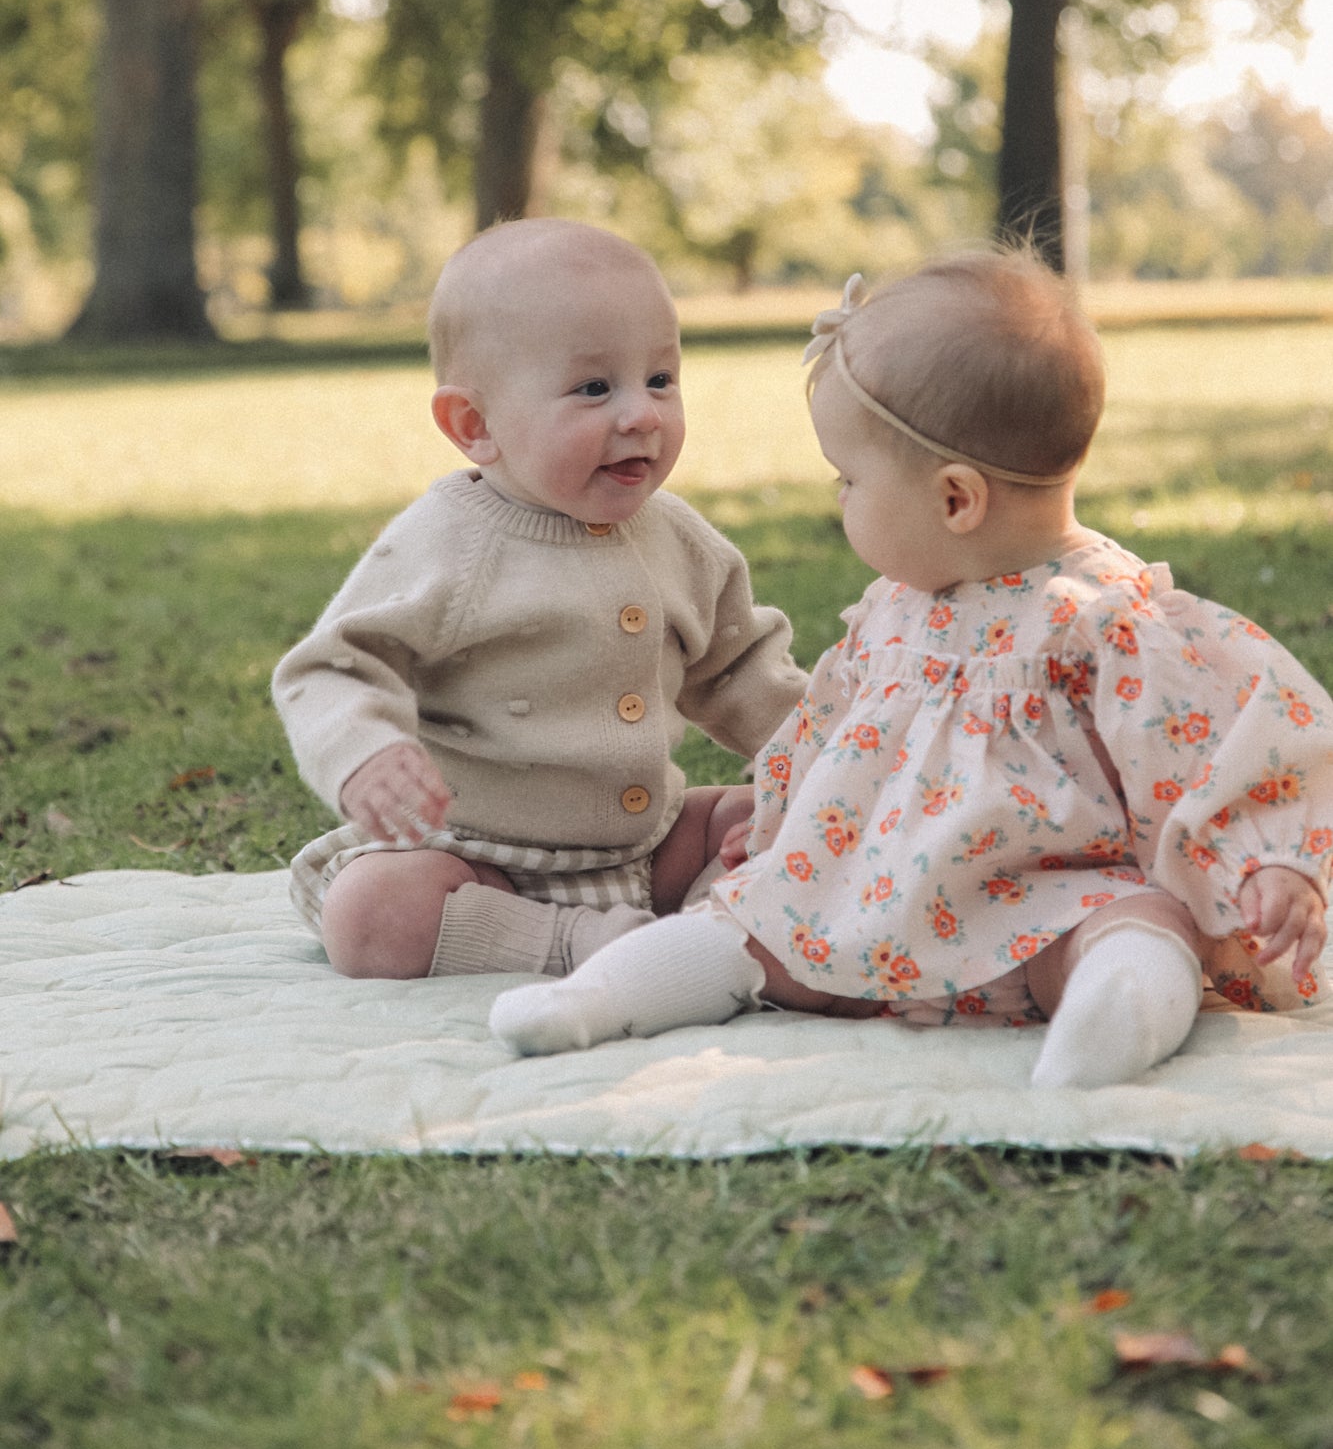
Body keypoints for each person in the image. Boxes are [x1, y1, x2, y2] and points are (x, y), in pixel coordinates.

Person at [490, 249, 1333, 1089]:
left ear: (955, 499)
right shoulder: (893, 611)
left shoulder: (1105, 619)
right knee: (753, 924)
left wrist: (1271, 860)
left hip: (1047, 904)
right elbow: (826, 732)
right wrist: (787, 822)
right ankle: (599, 999)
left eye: (848, 480)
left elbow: (1246, 733)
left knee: (1138, 920)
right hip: (876, 901)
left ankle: (1113, 1014)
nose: (839, 502)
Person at [274, 220, 806, 983]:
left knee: (756, 825)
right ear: (475, 425)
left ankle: (705, 935)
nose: (642, 414)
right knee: (371, 914)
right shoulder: (448, 543)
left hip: (647, 848)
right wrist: (366, 753)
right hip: (478, 860)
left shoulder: (680, 542)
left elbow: (744, 675)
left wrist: (830, 762)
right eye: (594, 388)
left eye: (660, 379)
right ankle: (586, 949)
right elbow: (329, 670)